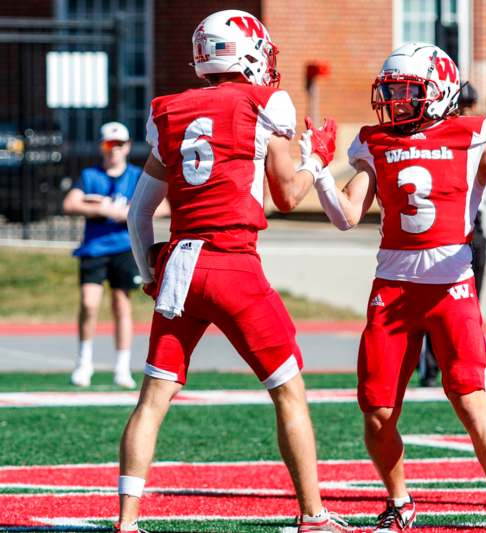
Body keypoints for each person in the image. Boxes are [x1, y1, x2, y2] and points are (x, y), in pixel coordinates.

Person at [310, 41, 486, 532]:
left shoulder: (474, 135)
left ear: (439, 91)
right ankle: (400, 502)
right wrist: (318, 174)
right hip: (392, 289)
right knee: (376, 411)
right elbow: (346, 216)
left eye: (407, 90)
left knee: (470, 401)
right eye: (392, 89)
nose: (396, 99)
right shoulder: (375, 142)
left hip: (450, 288)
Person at [115, 10, 355, 533]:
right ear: (246, 53)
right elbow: (289, 196)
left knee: (153, 398)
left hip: (179, 262)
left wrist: (148, 274)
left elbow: (138, 212)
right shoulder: (265, 101)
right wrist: (316, 159)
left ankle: (127, 521)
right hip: (233, 261)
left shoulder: (169, 110)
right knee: (288, 389)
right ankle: (313, 515)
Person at [418, 81, 486, 388]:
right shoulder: (442, 136)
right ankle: (431, 364)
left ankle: (460, 361)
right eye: (463, 106)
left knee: (466, 301)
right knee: (434, 300)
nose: (467, 112)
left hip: (471, 227)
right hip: (443, 229)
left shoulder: (476, 136)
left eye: (470, 105)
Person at [62, 121, 163, 389]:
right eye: (109, 144)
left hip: (124, 248)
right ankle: (84, 363)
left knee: (121, 304)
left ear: (128, 147)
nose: (114, 150)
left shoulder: (136, 175)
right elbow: (70, 203)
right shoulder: (90, 175)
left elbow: (164, 206)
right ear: (101, 147)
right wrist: (103, 209)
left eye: (119, 144)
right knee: (89, 303)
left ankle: (122, 366)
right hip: (94, 249)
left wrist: (131, 211)